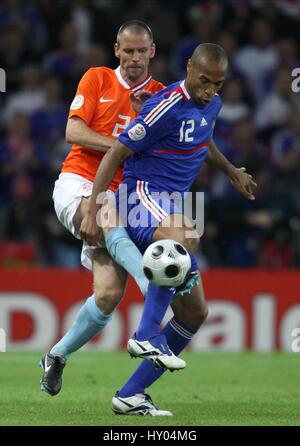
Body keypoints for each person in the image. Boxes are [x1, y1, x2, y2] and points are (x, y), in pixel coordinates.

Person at [80, 43, 257, 416]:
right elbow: (115, 153)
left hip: (167, 207)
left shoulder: (211, 105)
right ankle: (145, 334)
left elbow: (202, 139)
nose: (209, 90)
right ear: (189, 68)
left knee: (195, 312)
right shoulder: (164, 104)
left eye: (218, 85)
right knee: (186, 235)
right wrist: (96, 209)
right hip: (139, 196)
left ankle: (130, 395)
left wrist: (232, 171)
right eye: (204, 80)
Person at [39, 20, 164, 397]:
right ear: (117, 51)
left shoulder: (159, 96)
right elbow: (73, 132)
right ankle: (151, 287)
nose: (135, 58)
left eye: (142, 51)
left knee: (108, 295)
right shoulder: (96, 79)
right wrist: (121, 143)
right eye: (128, 51)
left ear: (152, 52)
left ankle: (56, 356)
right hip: (77, 184)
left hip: (119, 197)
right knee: (106, 214)